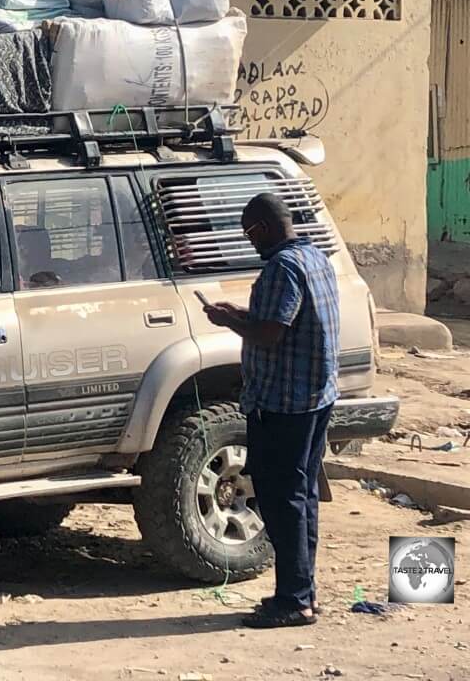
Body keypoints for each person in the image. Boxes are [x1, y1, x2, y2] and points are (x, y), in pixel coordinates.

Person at [203, 193, 339, 630]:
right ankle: (303, 593)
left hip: (284, 402)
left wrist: (229, 322)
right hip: (316, 397)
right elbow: (284, 319)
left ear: (260, 229)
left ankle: (294, 601)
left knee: (282, 501)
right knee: (302, 497)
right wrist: (239, 313)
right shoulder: (314, 258)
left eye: (248, 234)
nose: (249, 242)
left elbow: (270, 332)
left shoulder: (280, 267)